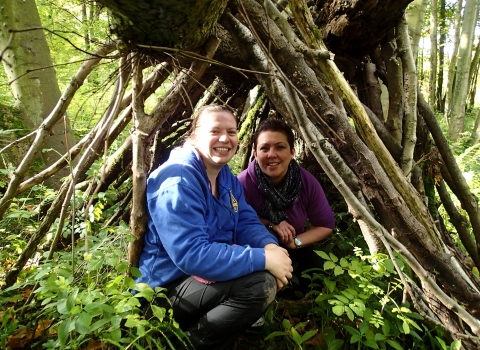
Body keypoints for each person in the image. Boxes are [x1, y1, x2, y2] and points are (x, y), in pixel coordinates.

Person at [136, 105, 293, 350]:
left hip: (198, 282)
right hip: (163, 294)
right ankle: (184, 344)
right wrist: (263, 259)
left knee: (267, 251)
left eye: (231, 132)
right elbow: (192, 254)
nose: (225, 138)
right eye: (215, 131)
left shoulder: (225, 176)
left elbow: (245, 220)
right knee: (258, 284)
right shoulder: (177, 179)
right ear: (194, 136)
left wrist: (271, 248)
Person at [237, 118, 335, 292]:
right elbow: (234, 221)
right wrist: (272, 223)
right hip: (256, 249)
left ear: (292, 151)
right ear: (255, 153)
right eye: (264, 148)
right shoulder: (242, 183)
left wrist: (295, 242)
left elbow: (325, 225)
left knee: (319, 272)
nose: (271, 154)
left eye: (280, 147)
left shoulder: (306, 182)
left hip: (294, 245)